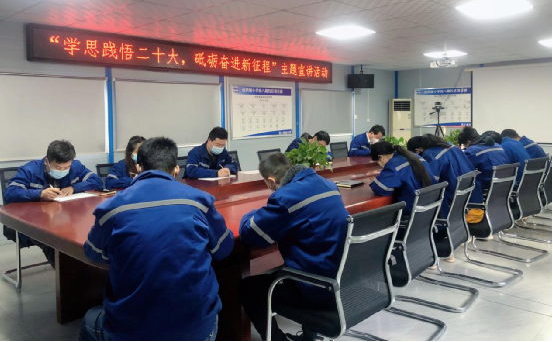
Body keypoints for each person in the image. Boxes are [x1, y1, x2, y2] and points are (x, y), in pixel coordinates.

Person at [80, 137, 233, 342]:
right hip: (198, 329)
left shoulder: (111, 209)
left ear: (138, 167)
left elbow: (94, 254)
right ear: (176, 170)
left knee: (89, 319)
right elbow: (223, 248)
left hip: (132, 330)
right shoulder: (200, 201)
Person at [239, 153, 349, 342]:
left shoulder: (286, 198)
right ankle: (308, 335)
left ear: (271, 181)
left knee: (248, 288)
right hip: (342, 277)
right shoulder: (327, 184)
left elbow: (252, 234)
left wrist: (251, 214)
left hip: (318, 287)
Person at [4, 140, 103, 268]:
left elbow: (97, 181)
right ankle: (67, 275)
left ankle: (85, 271)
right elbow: (10, 193)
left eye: (66, 168)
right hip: (35, 222)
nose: (62, 170)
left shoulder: (76, 167)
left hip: (66, 219)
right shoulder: (29, 170)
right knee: (52, 241)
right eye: (57, 167)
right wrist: (39, 194)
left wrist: (74, 188)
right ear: (47, 161)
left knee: (86, 235)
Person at [407, 134, 476, 219]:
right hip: (469, 194)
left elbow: (430, 182)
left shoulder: (431, 154)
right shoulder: (451, 147)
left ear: (418, 150)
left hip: (454, 200)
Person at [458, 127, 510, 224]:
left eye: (464, 145)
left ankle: (472, 213)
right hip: (503, 183)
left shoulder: (473, 151)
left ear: (468, 142)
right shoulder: (497, 145)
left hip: (488, 185)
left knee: (467, 180)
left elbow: (465, 171)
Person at [370, 141, 436, 217]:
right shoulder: (415, 156)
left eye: (378, 162)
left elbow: (381, 188)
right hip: (430, 209)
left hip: (412, 212)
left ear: (381, 157)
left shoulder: (394, 164)